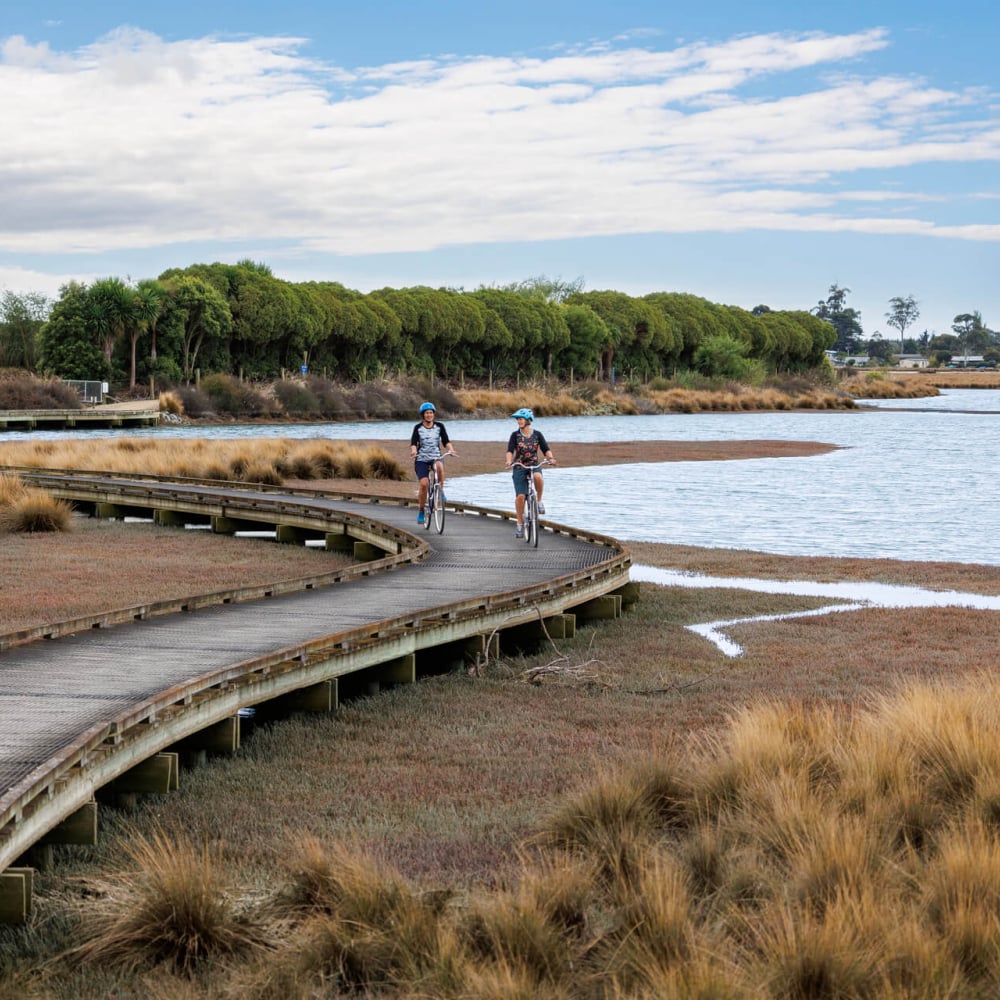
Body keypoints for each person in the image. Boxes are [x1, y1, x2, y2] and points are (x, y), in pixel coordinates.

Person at [505, 407, 555, 538]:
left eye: (521, 419)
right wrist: (509, 461)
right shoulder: (515, 435)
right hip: (519, 466)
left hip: (534, 464)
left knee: (538, 476)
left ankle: (539, 501)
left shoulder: (537, 434)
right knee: (520, 496)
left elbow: (545, 449)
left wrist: (551, 458)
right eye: (517, 419)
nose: (519, 421)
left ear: (528, 420)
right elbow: (510, 450)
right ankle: (519, 524)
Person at [410, 402, 457, 523]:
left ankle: (440, 491)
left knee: (439, 465)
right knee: (424, 484)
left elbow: (446, 441)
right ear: (423, 415)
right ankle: (421, 511)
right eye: (427, 413)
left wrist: (451, 450)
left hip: (436, 456)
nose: (429, 415)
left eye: (431, 413)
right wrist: (414, 451)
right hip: (422, 459)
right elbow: (414, 443)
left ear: (433, 414)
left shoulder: (440, 426)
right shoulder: (418, 428)